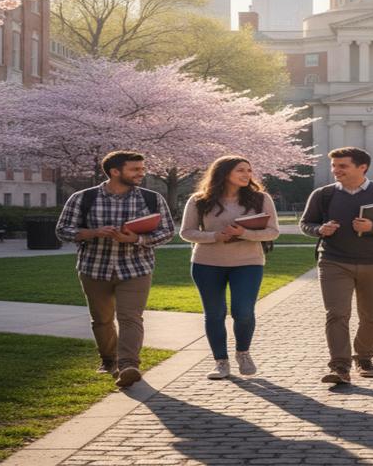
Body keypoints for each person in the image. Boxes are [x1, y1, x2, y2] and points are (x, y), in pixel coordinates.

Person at [56, 150, 176, 388]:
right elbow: (62, 229)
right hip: (94, 268)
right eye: (135, 169)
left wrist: (135, 239)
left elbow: (166, 232)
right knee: (101, 319)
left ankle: (128, 365)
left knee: (130, 317)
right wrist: (92, 233)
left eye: (142, 169)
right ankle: (108, 360)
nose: (141, 173)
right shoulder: (83, 198)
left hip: (136, 268)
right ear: (115, 171)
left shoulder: (151, 198)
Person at [300, 147, 373, 384]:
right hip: (333, 261)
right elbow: (306, 224)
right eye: (334, 166)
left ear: (362, 167)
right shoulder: (323, 194)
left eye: (343, 166)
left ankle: (364, 358)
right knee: (336, 314)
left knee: (371, 315)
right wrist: (319, 229)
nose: (336, 170)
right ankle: (340, 366)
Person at [179, 155, 280, 380]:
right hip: (206, 263)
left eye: (249, 170)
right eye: (240, 170)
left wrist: (243, 233)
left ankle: (243, 353)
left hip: (248, 263)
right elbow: (186, 233)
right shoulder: (199, 200)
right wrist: (216, 236)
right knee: (214, 314)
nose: (247, 175)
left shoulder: (260, 199)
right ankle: (220, 362)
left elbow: (273, 231)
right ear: (224, 173)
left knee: (243, 312)